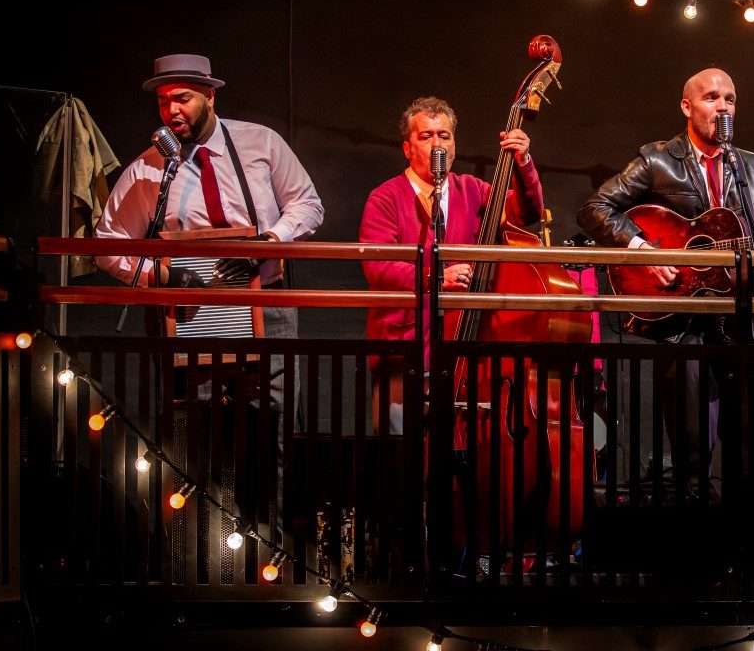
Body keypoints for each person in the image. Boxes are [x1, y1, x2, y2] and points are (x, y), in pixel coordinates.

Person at [576, 67, 754, 498]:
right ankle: (696, 542)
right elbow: (595, 207)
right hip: (685, 324)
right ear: (687, 106)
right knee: (690, 449)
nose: (723, 106)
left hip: (745, 322)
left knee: (750, 446)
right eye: (711, 97)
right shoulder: (658, 160)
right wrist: (642, 249)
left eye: (730, 99)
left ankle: (748, 551)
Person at [95, 53, 325, 531]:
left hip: (265, 302)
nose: (172, 110)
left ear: (210, 96)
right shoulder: (148, 169)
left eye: (182, 98)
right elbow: (106, 245)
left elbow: (307, 204)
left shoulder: (260, 142)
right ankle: (199, 551)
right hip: (191, 315)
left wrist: (270, 240)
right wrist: (164, 277)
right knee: (194, 430)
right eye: (163, 101)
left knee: (270, 425)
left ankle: (268, 547)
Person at [358, 95, 543, 433]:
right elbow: (378, 265)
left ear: (454, 145)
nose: (436, 143)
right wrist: (434, 277)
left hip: (465, 350)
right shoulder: (385, 197)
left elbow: (525, 214)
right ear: (407, 148)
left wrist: (523, 162)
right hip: (405, 352)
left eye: (444, 135)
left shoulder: (474, 189)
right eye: (426, 136)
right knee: (404, 458)